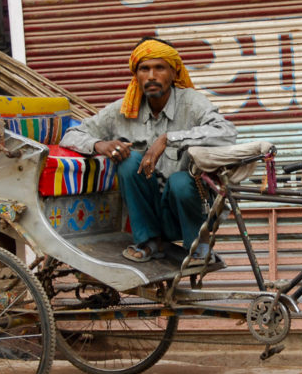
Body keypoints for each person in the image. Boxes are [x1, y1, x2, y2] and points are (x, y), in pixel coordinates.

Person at [60, 37, 237, 263]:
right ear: (136, 75)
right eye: (144, 69)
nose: (151, 76)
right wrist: (100, 145)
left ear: (174, 73)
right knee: (129, 160)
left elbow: (227, 132)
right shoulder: (122, 109)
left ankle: (197, 244)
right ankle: (149, 241)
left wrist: (168, 139)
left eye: (159, 68)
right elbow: (70, 135)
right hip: (148, 215)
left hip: (187, 212)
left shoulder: (192, 103)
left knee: (181, 181)